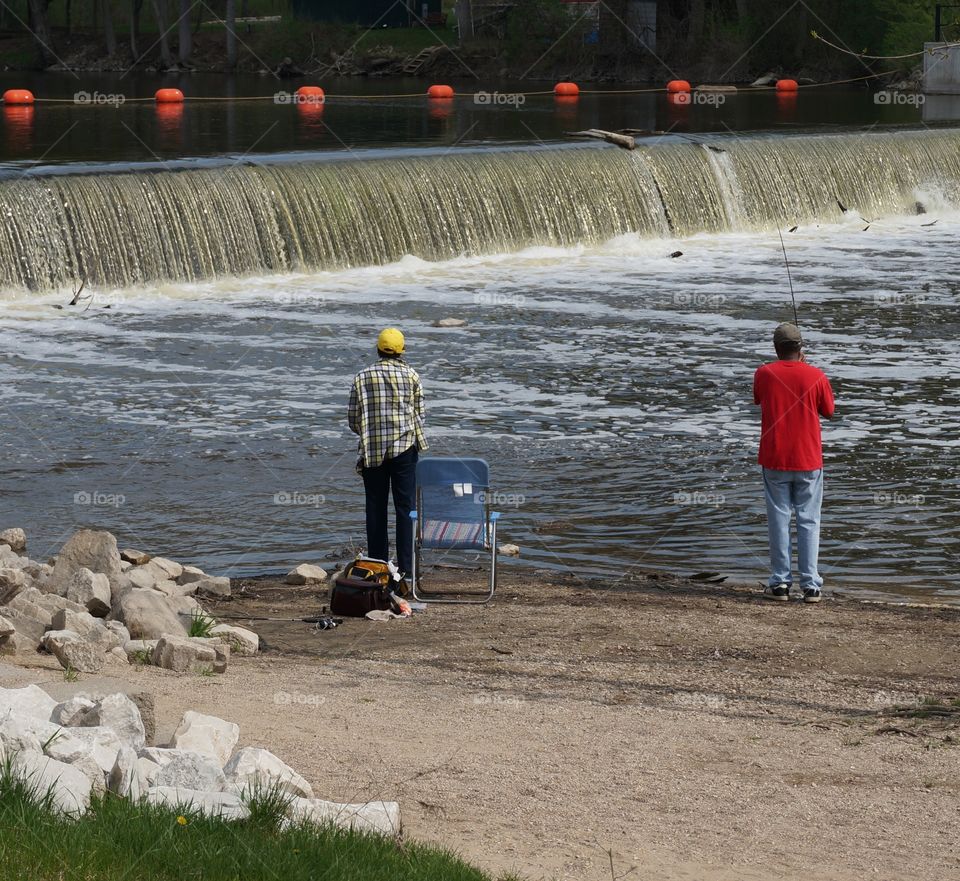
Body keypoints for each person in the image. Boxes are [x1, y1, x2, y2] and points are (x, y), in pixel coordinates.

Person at [753, 323, 835, 603]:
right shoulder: (817, 375)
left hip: (774, 457)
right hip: (808, 458)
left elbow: (759, 399)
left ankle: (780, 584)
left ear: (776, 349)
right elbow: (829, 411)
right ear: (801, 349)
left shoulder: (764, 373)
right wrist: (808, 370)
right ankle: (811, 585)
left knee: (778, 518)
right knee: (809, 519)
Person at [348, 328, 428, 590]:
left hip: (372, 451)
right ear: (402, 350)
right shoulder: (411, 375)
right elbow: (420, 415)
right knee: (405, 509)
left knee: (375, 507)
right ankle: (405, 570)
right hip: (405, 448)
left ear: (378, 349)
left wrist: (371, 433)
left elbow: (353, 419)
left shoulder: (362, 376)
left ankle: (379, 567)